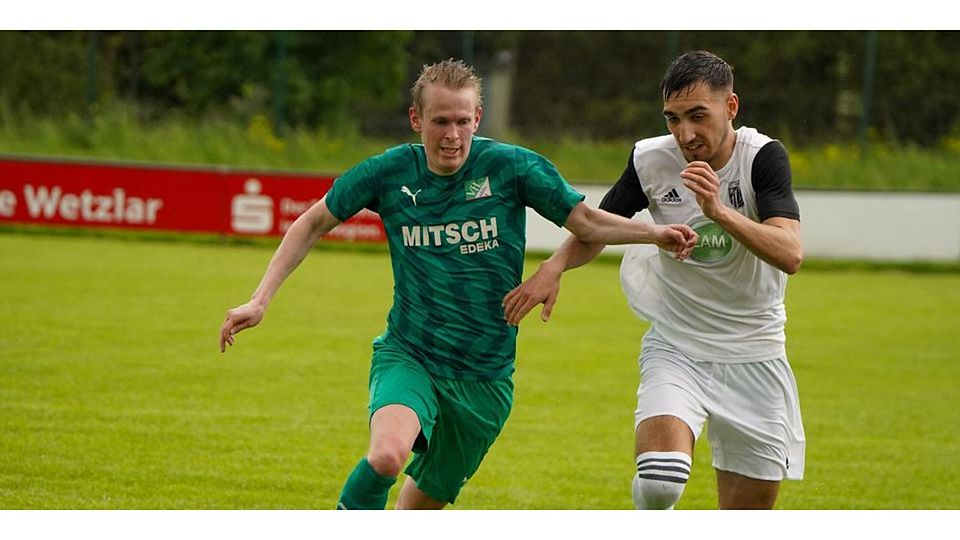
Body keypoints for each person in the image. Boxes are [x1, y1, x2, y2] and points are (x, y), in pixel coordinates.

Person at [219, 59, 697, 510]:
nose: (452, 135)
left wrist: (654, 233)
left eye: (463, 121)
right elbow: (311, 222)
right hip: (411, 353)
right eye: (440, 121)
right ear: (415, 118)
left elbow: (588, 222)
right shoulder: (388, 173)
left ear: (478, 118)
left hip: (485, 378)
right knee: (387, 456)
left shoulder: (512, 167)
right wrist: (259, 300)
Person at [502, 50, 806, 510]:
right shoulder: (651, 160)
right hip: (677, 344)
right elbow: (600, 224)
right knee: (661, 480)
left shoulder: (762, 158)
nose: (685, 134)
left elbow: (791, 253)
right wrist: (554, 265)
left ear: (731, 107)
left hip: (755, 352)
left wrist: (718, 212)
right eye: (673, 118)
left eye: (698, 116)